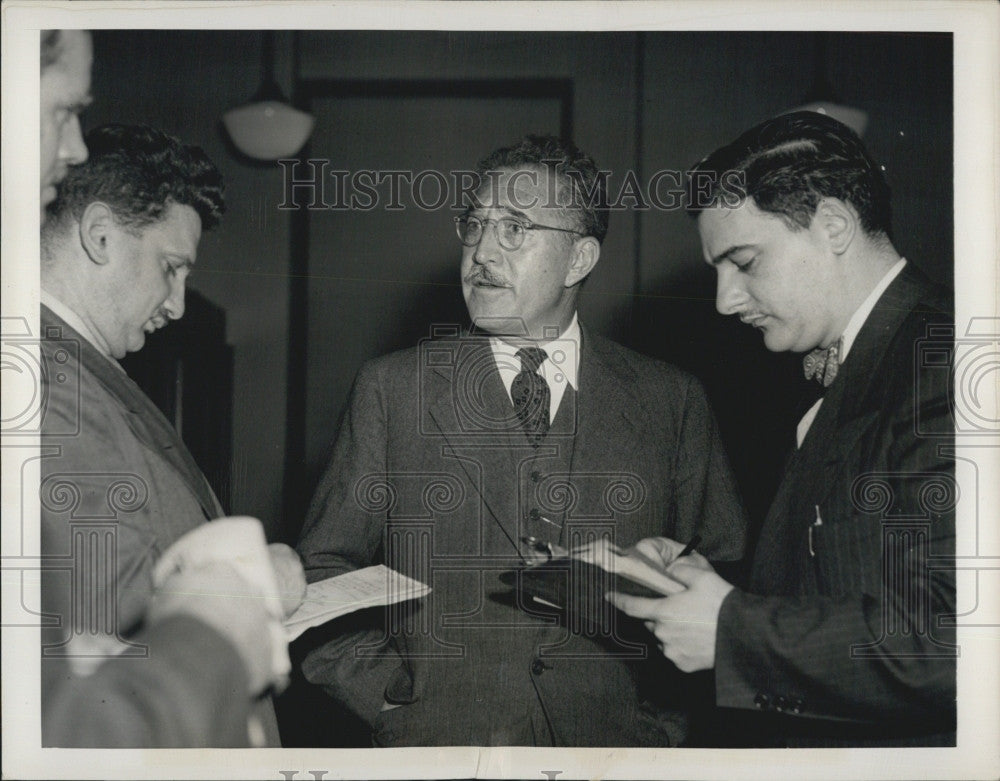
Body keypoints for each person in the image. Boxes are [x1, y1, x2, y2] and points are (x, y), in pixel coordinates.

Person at [296, 135, 748, 747]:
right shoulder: (394, 389)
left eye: (514, 228)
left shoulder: (672, 400)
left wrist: (662, 726)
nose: (481, 252)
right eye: (474, 225)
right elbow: (323, 573)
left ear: (579, 259)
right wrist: (394, 700)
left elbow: (721, 576)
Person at [609, 111, 955, 746]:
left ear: (833, 225)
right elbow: (850, 589)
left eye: (744, 262)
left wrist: (729, 627)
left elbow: (954, 640)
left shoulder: (942, 359)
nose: (725, 300)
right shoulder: (871, 361)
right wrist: (695, 580)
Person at [38, 103, 304, 746]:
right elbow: (105, 624)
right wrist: (255, 581)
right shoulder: (51, 383)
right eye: (171, 267)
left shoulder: (85, 369)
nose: (179, 305)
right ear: (100, 235)